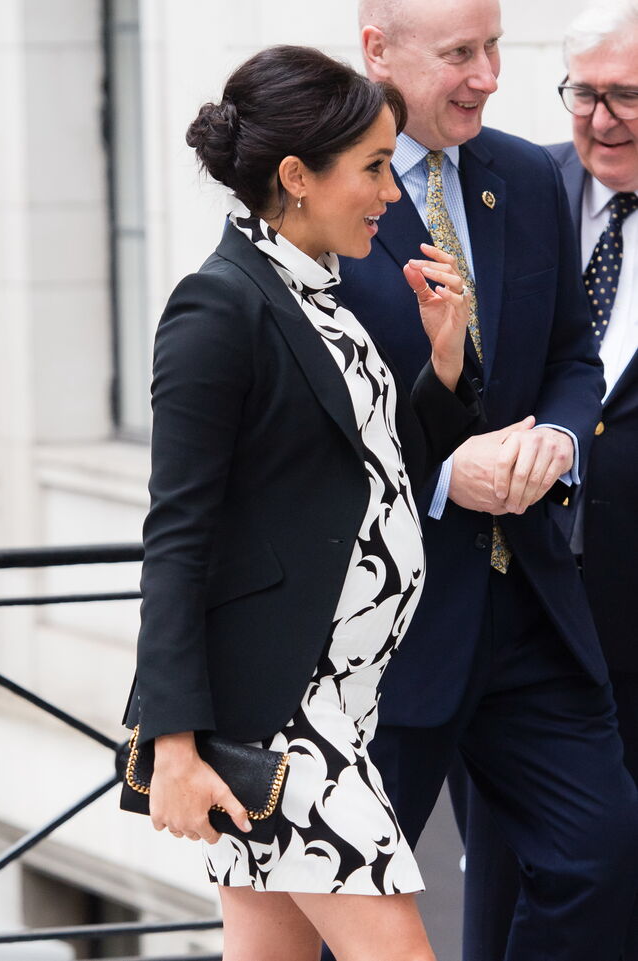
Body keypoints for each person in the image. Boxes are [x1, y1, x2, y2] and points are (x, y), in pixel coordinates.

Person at [123, 44, 483, 961]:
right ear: (296, 176)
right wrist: (170, 745)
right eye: (372, 169)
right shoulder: (218, 307)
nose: (391, 195)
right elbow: (177, 533)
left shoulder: (320, 295)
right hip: (285, 719)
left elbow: (378, 469)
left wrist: (445, 364)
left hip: (343, 706)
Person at [321, 2, 638, 960]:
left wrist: (557, 439)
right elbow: (309, 407)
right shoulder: (317, 193)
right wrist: (449, 471)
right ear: (378, 51)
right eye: (461, 54)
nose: (489, 75)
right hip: (386, 622)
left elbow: (573, 359)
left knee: (600, 855)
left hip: (535, 605)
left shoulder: (530, 176)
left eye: (495, 48)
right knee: (349, 904)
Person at [454, 3, 638, 958]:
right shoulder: (524, 184)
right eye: (584, 95)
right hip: (521, 605)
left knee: (612, 871)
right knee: (508, 873)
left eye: (628, 96)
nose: (602, 119)